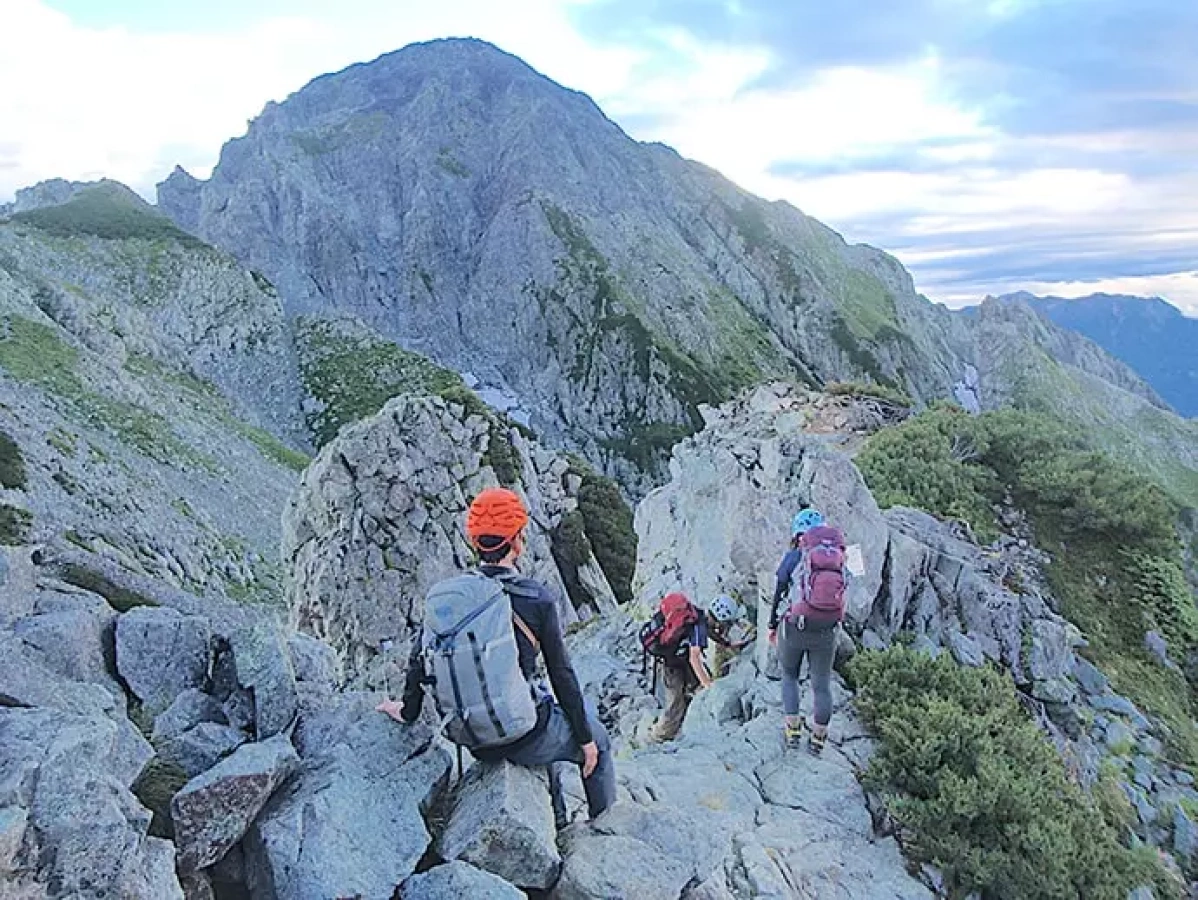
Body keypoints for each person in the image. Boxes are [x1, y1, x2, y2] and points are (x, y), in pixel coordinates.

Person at [378, 487, 616, 821]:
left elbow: (419, 662)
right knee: (597, 740)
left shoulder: (450, 599)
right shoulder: (536, 598)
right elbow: (562, 675)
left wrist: (405, 711)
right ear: (518, 540)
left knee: (542, 708)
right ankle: (604, 827)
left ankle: (556, 816)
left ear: (474, 541)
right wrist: (587, 739)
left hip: (470, 736)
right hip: (522, 735)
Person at [769, 507, 847, 754]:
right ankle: (818, 739)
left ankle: (792, 731)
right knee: (821, 684)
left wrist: (772, 625)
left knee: (790, 675)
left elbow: (780, 586)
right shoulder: (842, 553)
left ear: (797, 532)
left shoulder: (795, 555)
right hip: (828, 628)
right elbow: (852, 582)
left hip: (796, 626)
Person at [651, 593, 747, 743]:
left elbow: (708, 632)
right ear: (721, 620)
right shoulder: (698, 627)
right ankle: (659, 738)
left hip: (678, 660)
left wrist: (726, 644)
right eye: (727, 623)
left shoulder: (698, 615)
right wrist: (708, 686)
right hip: (672, 665)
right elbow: (694, 658)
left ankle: (681, 722)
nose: (726, 626)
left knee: (691, 690)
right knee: (675, 706)